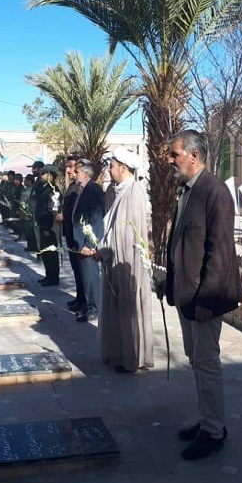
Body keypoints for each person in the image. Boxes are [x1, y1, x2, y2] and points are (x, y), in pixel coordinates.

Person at [165, 129, 242, 461]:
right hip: (186, 297)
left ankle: (214, 431)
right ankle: (207, 419)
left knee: (207, 363)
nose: (170, 160)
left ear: (193, 156)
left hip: (203, 301)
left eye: (175, 154)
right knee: (196, 361)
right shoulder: (187, 190)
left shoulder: (215, 192)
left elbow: (219, 254)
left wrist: (206, 302)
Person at [92, 149, 155, 372]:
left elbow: (127, 233)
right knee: (117, 309)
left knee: (128, 309)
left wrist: (104, 250)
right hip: (114, 258)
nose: (109, 170)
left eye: (112, 166)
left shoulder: (133, 192)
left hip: (126, 261)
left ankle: (132, 358)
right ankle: (118, 354)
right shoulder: (118, 191)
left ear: (123, 167)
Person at [72, 159, 105, 323]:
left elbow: (97, 219)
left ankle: (95, 309)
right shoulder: (83, 189)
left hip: (87, 244)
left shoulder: (93, 189)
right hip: (80, 242)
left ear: (85, 173)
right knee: (85, 277)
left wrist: (90, 244)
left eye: (77, 172)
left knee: (91, 277)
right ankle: (87, 305)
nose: (74, 174)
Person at [60, 156, 86, 312]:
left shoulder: (82, 188)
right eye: (67, 167)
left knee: (82, 271)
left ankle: (85, 301)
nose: (68, 170)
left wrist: (64, 216)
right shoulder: (72, 186)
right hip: (70, 234)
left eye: (71, 167)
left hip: (78, 236)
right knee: (76, 269)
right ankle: (80, 297)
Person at [35, 164, 61, 286]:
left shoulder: (53, 190)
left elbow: (51, 210)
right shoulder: (44, 188)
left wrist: (47, 227)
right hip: (43, 224)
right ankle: (48, 275)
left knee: (51, 253)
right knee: (45, 252)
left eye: (44, 173)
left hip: (49, 226)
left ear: (50, 175)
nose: (41, 175)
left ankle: (53, 278)